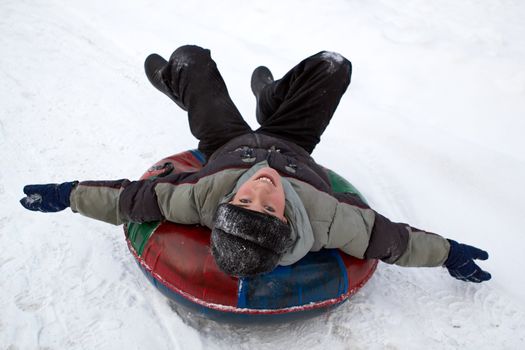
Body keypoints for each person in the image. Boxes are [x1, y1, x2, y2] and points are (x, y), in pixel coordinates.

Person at [20, 45, 491, 283]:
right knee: (333, 65)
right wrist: (449, 253)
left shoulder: (202, 198)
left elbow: (131, 199)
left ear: (227, 202)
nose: (262, 188)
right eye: (269, 208)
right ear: (289, 222)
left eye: (245, 198)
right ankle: (273, 99)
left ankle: (177, 79)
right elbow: (396, 242)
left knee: (191, 58)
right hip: (291, 140)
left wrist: (67, 195)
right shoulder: (333, 223)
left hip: (227, 142)